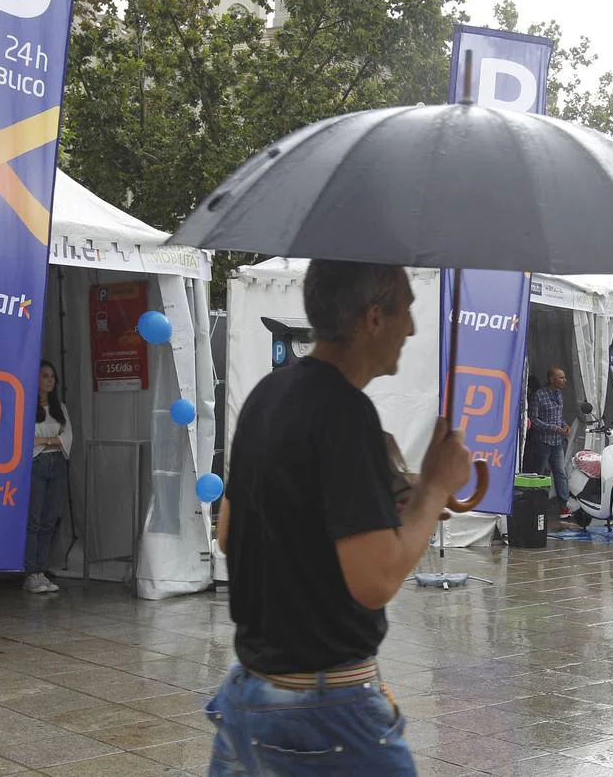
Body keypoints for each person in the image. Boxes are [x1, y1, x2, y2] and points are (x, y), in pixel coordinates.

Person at [206, 261, 470, 776]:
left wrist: (383, 497)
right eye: (407, 313)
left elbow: (228, 534)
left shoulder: (268, 394)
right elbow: (375, 581)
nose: (412, 329)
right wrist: (436, 486)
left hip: (251, 697)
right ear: (374, 318)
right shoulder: (347, 415)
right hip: (323, 715)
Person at [25, 360, 71, 594]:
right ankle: (31, 572)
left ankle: (41, 571)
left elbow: (67, 438)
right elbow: (26, 440)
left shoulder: (59, 408)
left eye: (52, 376)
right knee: (33, 519)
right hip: (37, 463)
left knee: (49, 519)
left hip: (57, 463)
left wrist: (45, 441)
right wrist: (52, 440)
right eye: (45, 376)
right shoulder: (27, 407)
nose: (50, 380)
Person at [529, 366, 572, 518]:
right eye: (561, 377)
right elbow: (533, 420)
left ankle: (564, 507)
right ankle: (535, 506)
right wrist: (552, 428)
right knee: (540, 475)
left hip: (557, 442)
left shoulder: (559, 394)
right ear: (551, 380)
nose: (564, 380)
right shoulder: (539, 396)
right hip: (543, 442)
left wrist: (564, 425)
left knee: (560, 473)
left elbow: (558, 416)